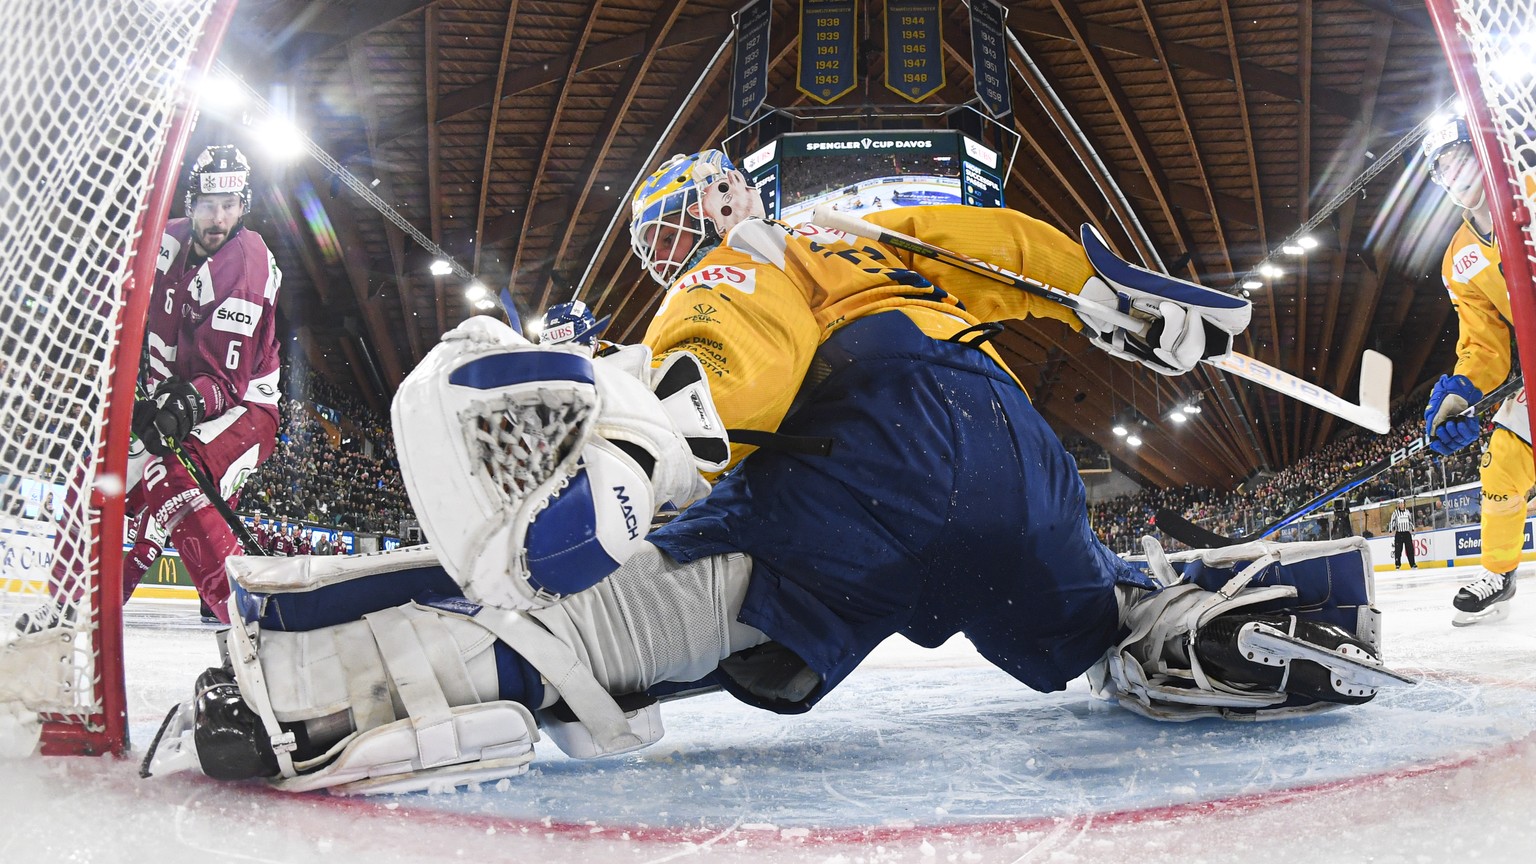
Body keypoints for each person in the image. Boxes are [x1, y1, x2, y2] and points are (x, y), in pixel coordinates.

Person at [144, 150, 1408, 793]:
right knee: (1083, 618)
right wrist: (1113, 298)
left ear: (719, 193)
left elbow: (735, 334)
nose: (668, 245)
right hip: (1014, 464)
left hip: (857, 464)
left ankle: (323, 675)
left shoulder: (770, 246)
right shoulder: (881, 237)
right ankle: (1193, 626)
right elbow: (1005, 249)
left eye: (672, 220)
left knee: (607, 620)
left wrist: (654, 428)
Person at [15, 145, 280, 632]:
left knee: (172, 476)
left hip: (241, 407)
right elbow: (117, 297)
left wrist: (181, 403)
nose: (217, 217)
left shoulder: (246, 268)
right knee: (95, 478)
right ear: (189, 203)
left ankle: (252, 627)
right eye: (206, 204)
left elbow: (226, 382)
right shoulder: (164, 240)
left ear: (244, 205)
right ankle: (67, 611)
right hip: (169, 397)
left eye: (228, 205)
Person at [1421, 116, 1525, 626]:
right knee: (1503, 457)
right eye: (1440, 169)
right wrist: (1462, 394)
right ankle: (1499, 573)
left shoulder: (1530, 190)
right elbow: (1484, 344)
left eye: (1457, 156)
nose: (1451, 173)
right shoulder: (1458, 258)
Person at [1389, 504, 1417, 569]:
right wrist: (1390, 530)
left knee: (1410, 549)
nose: (1401, 505)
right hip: (1399, 533)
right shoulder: (1395, 513)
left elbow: (1410, 521)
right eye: (1400, 503)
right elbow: (1392, 522)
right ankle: (1397, 564)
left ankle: (1412, 563)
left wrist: (1412, 528)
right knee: (1398, 550)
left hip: (1407, 533)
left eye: (1402, 503)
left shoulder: (1407, 512)